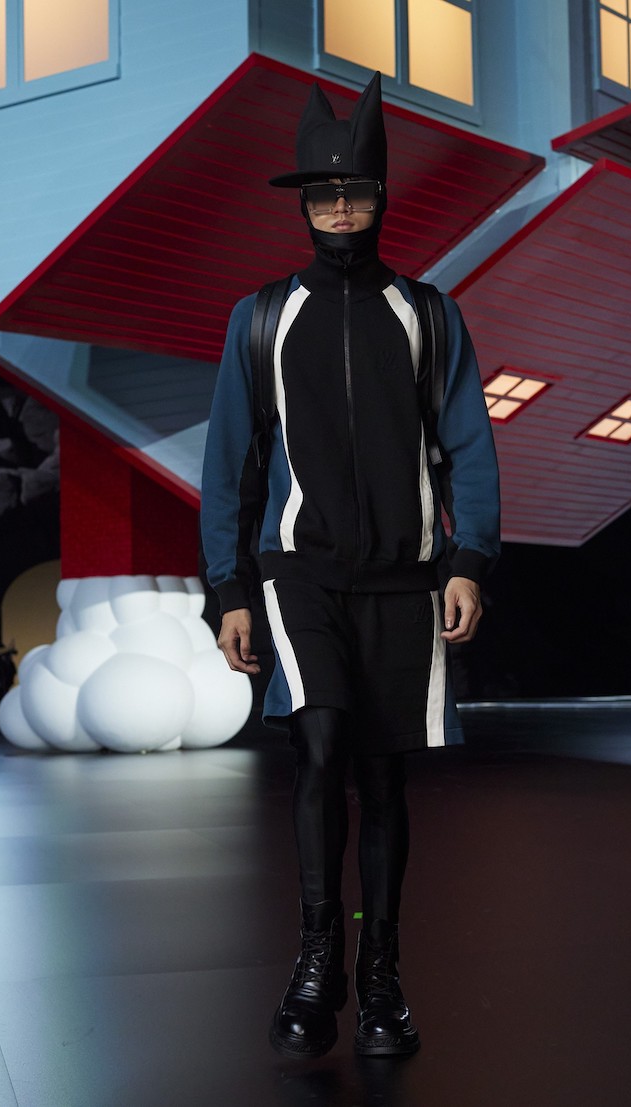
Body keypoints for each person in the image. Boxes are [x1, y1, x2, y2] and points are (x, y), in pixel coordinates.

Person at [201, 72, 500, 1060]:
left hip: (407, 578)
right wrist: (228, 588)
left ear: (378, 197)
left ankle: (382, 978)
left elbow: (468, 443)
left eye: (354, 192)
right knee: (320, 744)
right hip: (299, 571)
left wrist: (469, 558)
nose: (338, 208)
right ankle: (317, 958)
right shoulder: (261, 317)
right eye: (322, 194)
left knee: (382, 772)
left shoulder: (428, 313)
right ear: (304, 204)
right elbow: (230, 460)